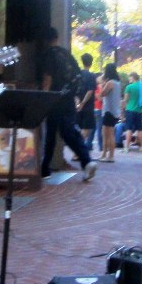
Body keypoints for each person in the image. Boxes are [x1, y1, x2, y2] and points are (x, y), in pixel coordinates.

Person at [40, 28, 97, 182]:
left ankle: (45, 169)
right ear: (57, 37)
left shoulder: (48, 55)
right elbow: (78, 76)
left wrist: (43, 99)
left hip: (54, 99)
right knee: (68, 131)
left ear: (44, 40)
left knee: (50, 135)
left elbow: (47, 79)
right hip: (69, 98)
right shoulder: (66, 54)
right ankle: (86, 161)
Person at [99, 63, 121, 162]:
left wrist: (102, 84)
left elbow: (102, 94)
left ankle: (110, 156)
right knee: (109, 133)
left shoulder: (110, 83)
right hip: (114, 110)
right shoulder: (118, 82)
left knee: (107, 134)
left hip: (108, 110)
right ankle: (105, 154)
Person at [76, 53, 97, 155]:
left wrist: (78, 103)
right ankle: (77, 151)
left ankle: (77, 150)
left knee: (80, 128)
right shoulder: (91, 76)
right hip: (88, 106)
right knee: (87, 129)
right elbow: (90, 91)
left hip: (78, 105)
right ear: (91, 62)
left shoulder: (78, 75)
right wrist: (83, 103)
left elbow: (74, 90)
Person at [121, 72, 142, 152]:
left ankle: (127, 147)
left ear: (133, 77)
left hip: (130, 109)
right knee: (140, 129)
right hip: (139, 110)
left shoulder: (129, 87)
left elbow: (125, 100)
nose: (129, 79)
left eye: (130, 77)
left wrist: (122, 111)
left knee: (128, 128)